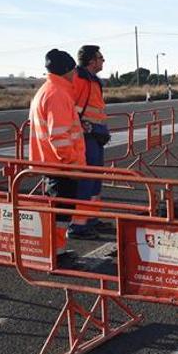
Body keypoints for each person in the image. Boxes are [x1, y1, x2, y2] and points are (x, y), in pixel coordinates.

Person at [29, 49, 85, 253]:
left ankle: (55, 250)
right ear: (68, 70)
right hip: (61, 166)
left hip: (52, 163)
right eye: (74, 70)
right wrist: (72, 162)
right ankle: (55, 253)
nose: (76, 74)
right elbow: (58, 136)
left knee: (58, 210)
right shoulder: (57, 93)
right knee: (60, 212)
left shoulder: (48, 89)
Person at [71, 45, 111, 238]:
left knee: (95, 179)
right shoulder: (79, 79)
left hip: (96, 135)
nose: (103, 60)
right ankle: (78, 226)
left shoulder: (94, 81)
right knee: (86, 180)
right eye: (100, 57)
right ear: (91, 61)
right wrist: (82, 126)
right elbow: (70, 107)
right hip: (85, 137)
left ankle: (91, 218)